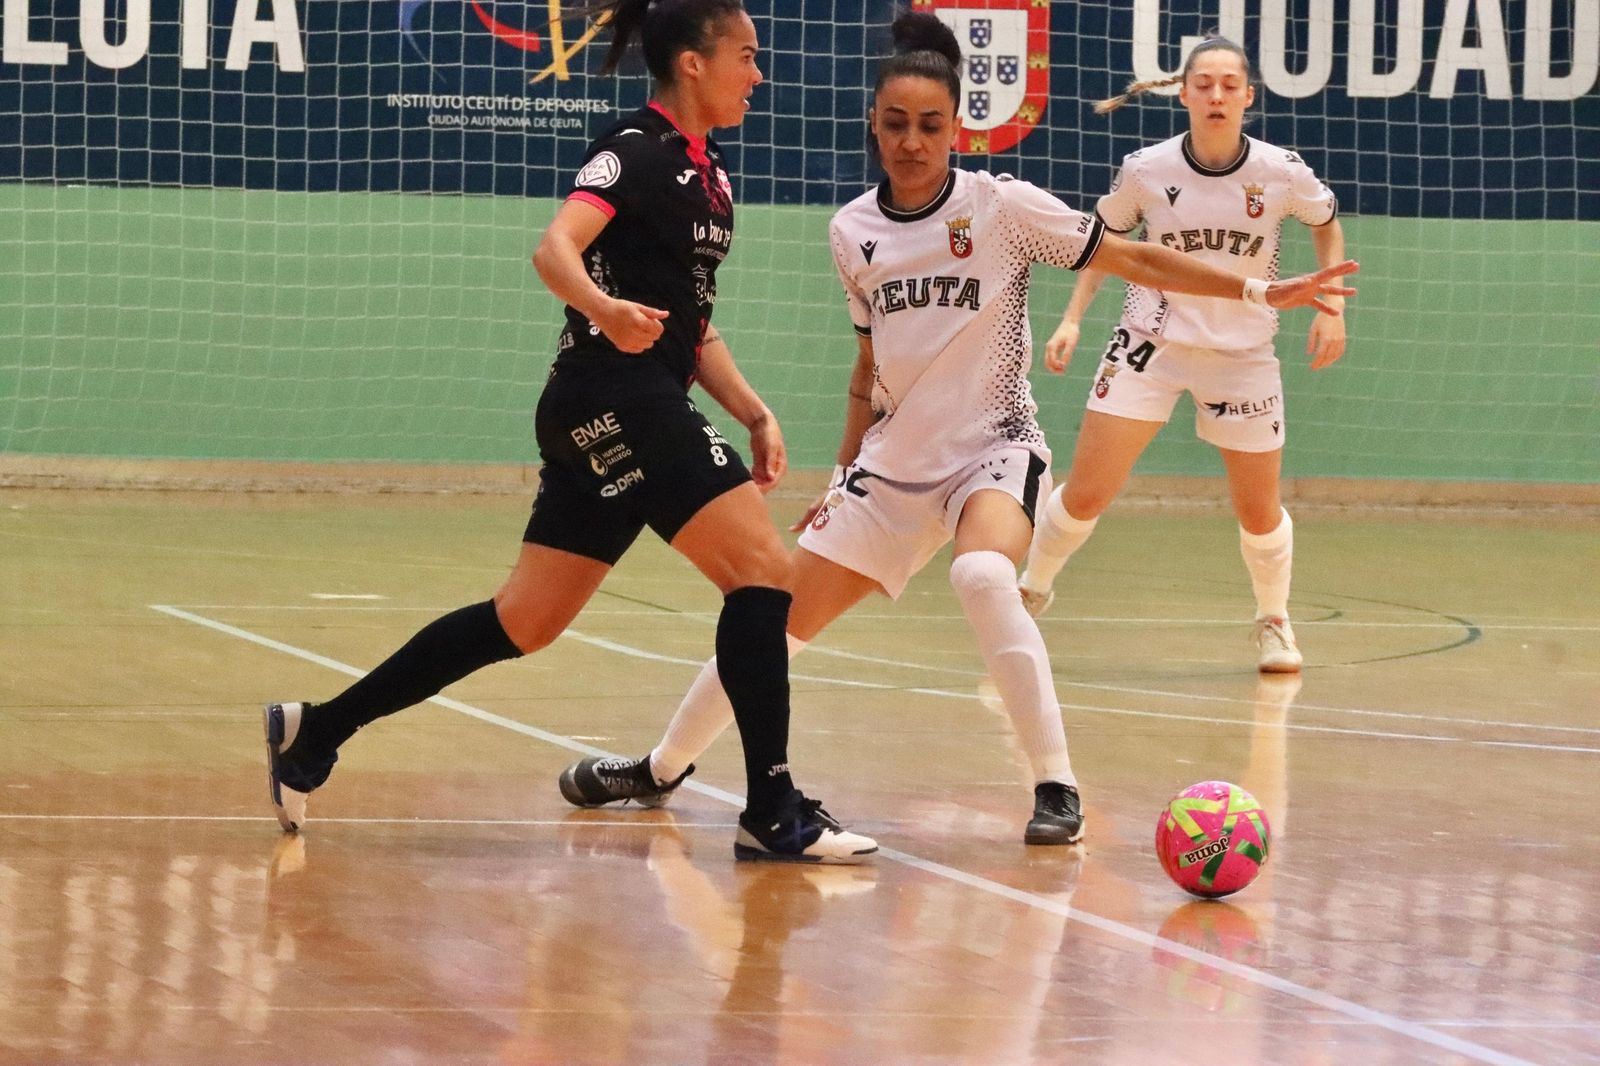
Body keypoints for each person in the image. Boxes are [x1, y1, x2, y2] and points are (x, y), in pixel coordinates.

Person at [555, 13, 1355, 842]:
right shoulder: (852, 231)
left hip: (993, 450)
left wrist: (1260, 293)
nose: (911, 142)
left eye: (930, 126)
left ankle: (1056, 788)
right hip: (892, 468)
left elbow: (1137, 259)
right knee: (772, 613)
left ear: (955, 128)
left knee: (982, 576)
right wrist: (839, 478)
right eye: (896, 124)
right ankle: (658, 769)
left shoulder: (1002, 207)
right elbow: (869, 373)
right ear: (874, 123)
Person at [262, 0, 877, 865]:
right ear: (693, 64)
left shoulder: (712, 172)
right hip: (611, 391)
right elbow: (555, 249)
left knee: (525, 621)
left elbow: (690, 328)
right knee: (766, 572)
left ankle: (316, 732)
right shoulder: (633, 149)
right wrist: (599, 307)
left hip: (617, 399)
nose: (758, 73)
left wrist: (754, 410)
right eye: (745, 55)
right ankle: (772, 809)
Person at [1018, 36, 1349, 673]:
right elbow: (1104, 243)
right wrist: (1071, 321)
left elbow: (1326, 222)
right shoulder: (1147, 168)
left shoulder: (1280, 171)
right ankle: (1030, 590)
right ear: (1184, 93)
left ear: (1249, 96)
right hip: (1151, 343)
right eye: (1205, 84)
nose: (1217, 95)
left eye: (1230, 84)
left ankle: (1274, 620)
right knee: (1086, 493)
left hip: (1243, 351)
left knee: (1258, 508)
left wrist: (1332, 305)